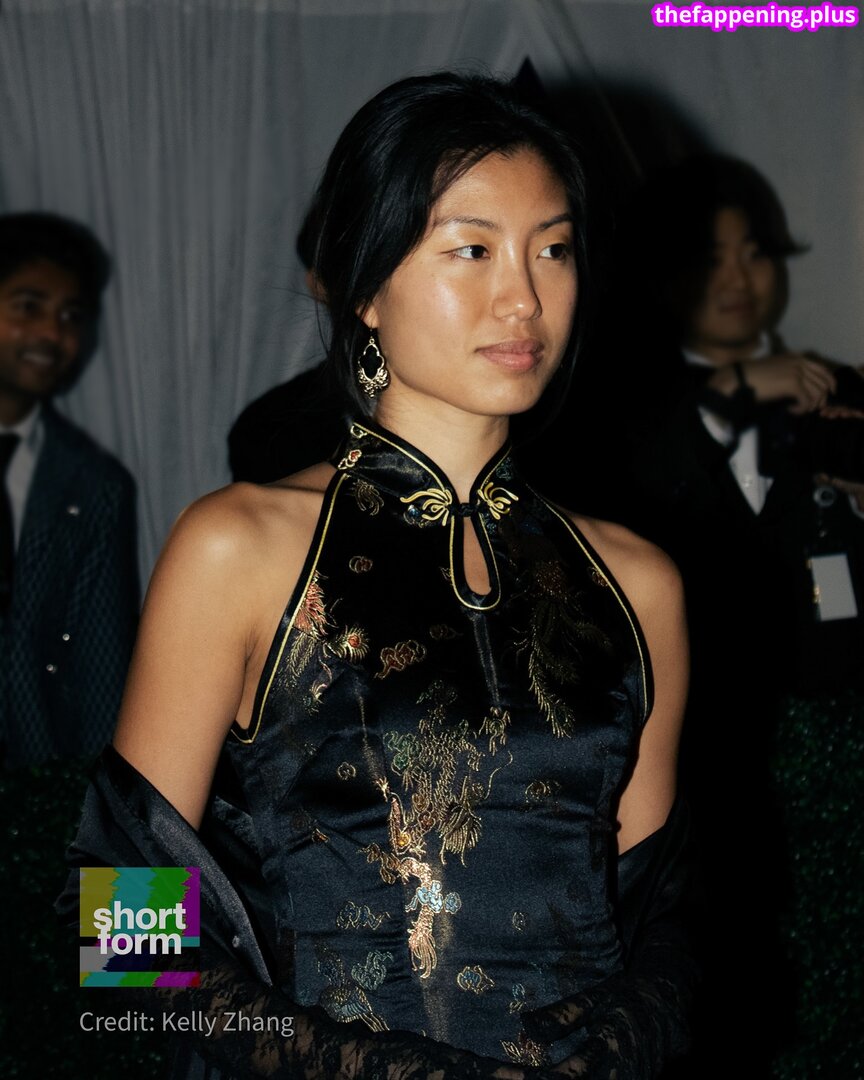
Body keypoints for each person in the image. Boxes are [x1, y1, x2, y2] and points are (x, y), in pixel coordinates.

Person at [61, 73, 694, 1077]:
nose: (524, 298)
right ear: (364, 285)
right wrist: (357, 1067)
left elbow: (661, 916)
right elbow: (119, 931)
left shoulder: (637, 582)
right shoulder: (239, 547)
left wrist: (614, 1050)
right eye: (472, 249)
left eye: (553, 249)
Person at [608, 154, 864, 1073]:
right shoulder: (622, 416)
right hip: (708, 754)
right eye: (706, 257)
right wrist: (739, 390)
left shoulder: (842, 395)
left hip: (842, 737)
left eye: (753, 252)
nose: (736, 278)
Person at [0, 212, 139, 767]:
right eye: (28, 306)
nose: (52, 334)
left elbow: (102, 673)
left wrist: (94, 805)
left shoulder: (94, 485)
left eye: (70, 316)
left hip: (36, 793)